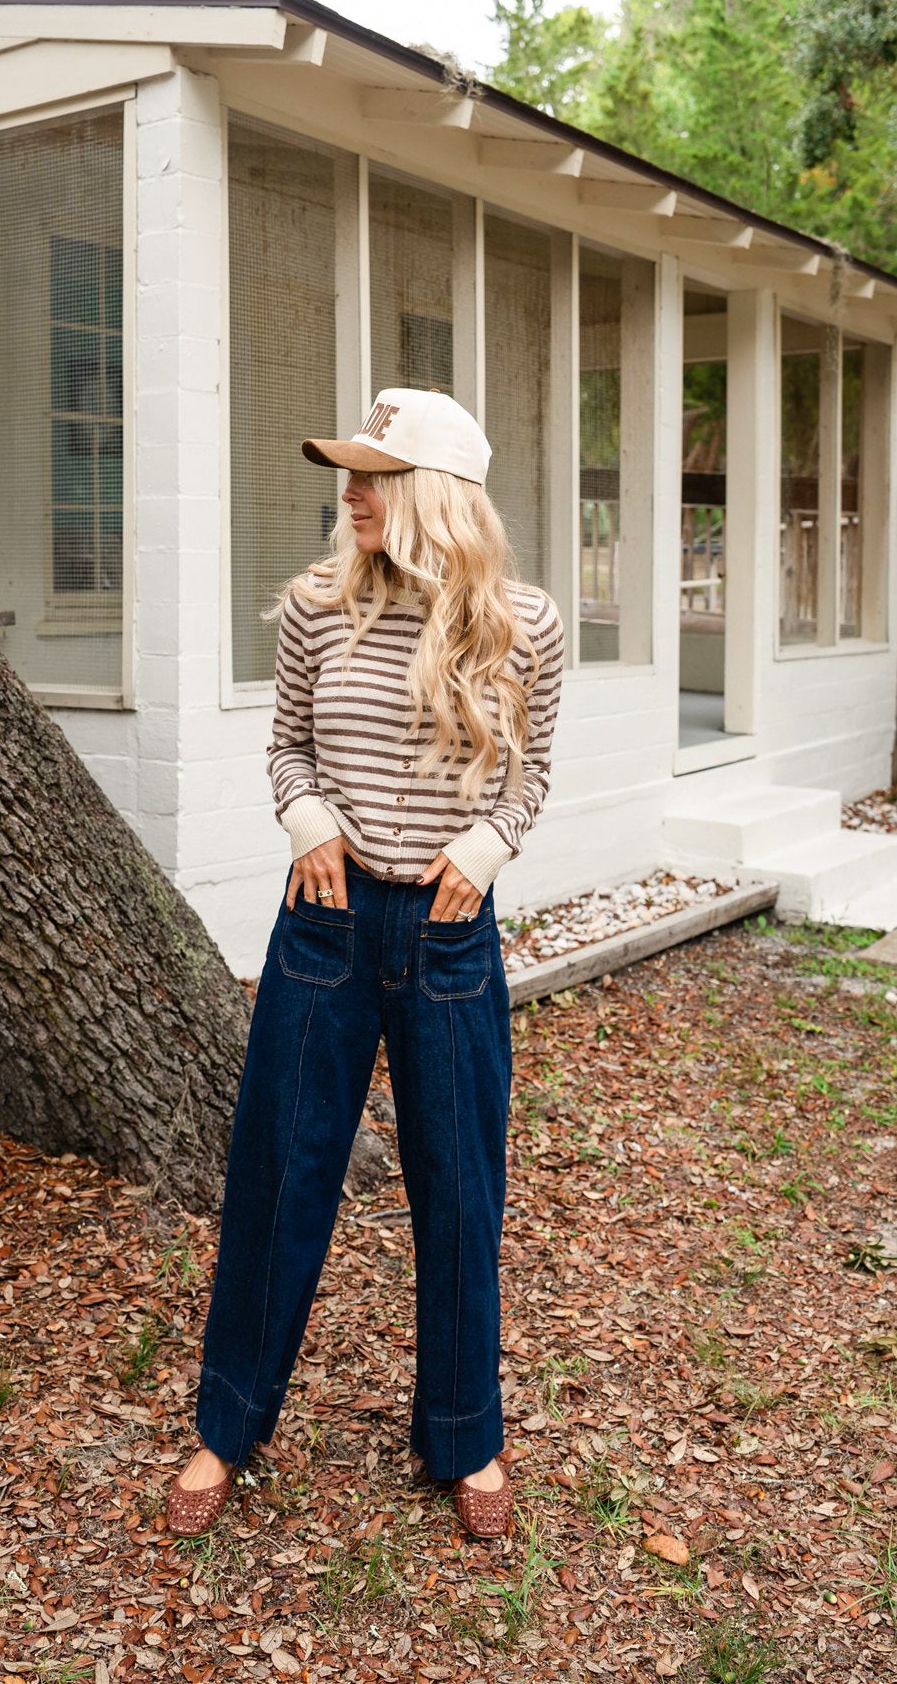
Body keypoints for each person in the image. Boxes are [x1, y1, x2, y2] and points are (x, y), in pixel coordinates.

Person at [168, 386, 565, 1543]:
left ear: (431, 492)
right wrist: (308, 825)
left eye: (371, 474)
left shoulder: (524, 625)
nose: (348, 492)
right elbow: (286, 742)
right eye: (346, 472)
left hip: (446, 939)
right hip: (326, 925)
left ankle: (466, 1431)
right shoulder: (314, 607)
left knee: (457, 1188)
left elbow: (527, 776)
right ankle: (227, 1423)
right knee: (281, 1177)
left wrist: (485, 848)